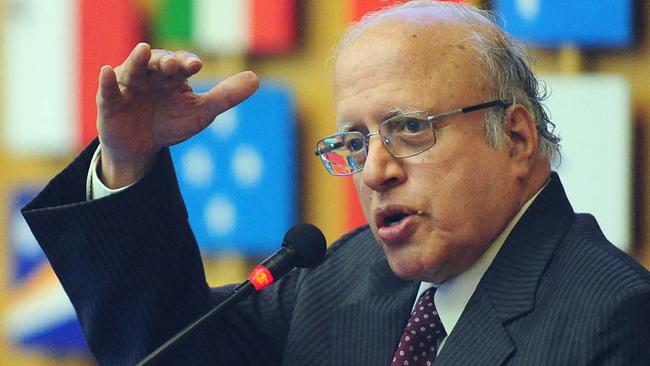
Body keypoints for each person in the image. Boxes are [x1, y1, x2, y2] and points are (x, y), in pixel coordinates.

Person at [22, 1, 649, 365]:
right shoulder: (343, 276)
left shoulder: (613, 316)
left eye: (409, 128)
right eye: (354, 142)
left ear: (515, 137)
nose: (375, 170)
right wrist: (129, 162)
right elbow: (168, 350)